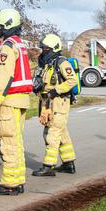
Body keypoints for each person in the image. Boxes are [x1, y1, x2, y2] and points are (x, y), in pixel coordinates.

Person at [0, 8, 33, 196]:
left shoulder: (7, 46)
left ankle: (9, 184)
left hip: (9, 101)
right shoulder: (19, 44)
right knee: (16, 142)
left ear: (7, 25)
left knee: (8, 143)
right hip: (20, 100)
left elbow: (5, 77)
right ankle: (17, 180)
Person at [31, 34, 77, 177]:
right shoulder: (47, 64)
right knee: (61, 133)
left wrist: (56, 91)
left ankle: (48, 166)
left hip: (59, 102)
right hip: (48, 102)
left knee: (51, 134)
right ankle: (68, 164)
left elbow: (72, 80)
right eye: (43, 48)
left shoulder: (61, 62)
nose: (43, 51)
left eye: (47, 48)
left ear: (54, 48)